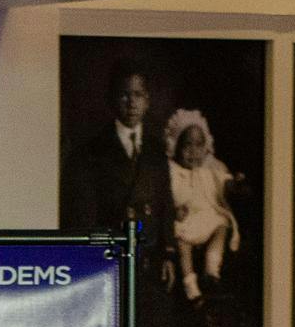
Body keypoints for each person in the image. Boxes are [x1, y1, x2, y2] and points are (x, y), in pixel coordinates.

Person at [62, 59, 176, 284]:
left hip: (150, 260)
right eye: (124, 95)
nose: (132, 103)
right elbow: (84, 214)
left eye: (138, 95)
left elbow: (165, 205)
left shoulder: (156, 150)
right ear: (112, 100)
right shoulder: (91, 152)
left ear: (147, 101)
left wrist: (168, 254)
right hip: (111, 259)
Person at [163, 109, 240, 302]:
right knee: (182, 243)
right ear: (175, 145)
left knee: (221, 226)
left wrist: (234, 184)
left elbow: (224, 179)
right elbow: (164, 197)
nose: (193, 151)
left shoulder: (210, 166)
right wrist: (175, 210)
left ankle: (211, 270)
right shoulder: (171, 170)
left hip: (207, 216)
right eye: (187, 145)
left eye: (199, 145)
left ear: (206, 146)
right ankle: (191, 287)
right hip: (185, 220)